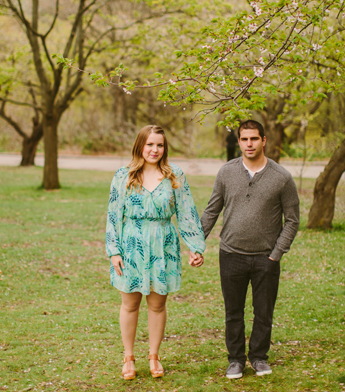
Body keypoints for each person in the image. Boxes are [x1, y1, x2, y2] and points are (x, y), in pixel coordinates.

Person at [201, 120, 299, 379]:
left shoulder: (282, 177)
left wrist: (276, 253)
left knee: (263, 312)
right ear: (239, 141)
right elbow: (212, 210)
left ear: (264, 140)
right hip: (231, 254)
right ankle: (235, 360)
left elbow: (292, 220)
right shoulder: (226, 172)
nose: (249, 144)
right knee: (233, 312)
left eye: (254, 139)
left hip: (266, 257)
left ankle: (258, 357)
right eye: (244, 139)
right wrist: (197, 243)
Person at [106, 125, 206, 380]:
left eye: (159, 145)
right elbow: (113, 215)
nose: (154, 150)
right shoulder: (123, 175)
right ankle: (128, 357)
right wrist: (114, 251)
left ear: (165, 148)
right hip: (131, 244)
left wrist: (195, 246)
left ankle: (154, 355)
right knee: (130, 303)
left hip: (163, 244)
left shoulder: (174, 175)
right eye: (150, 144)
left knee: (157, 304)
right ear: (140, 145)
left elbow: (186, 212)